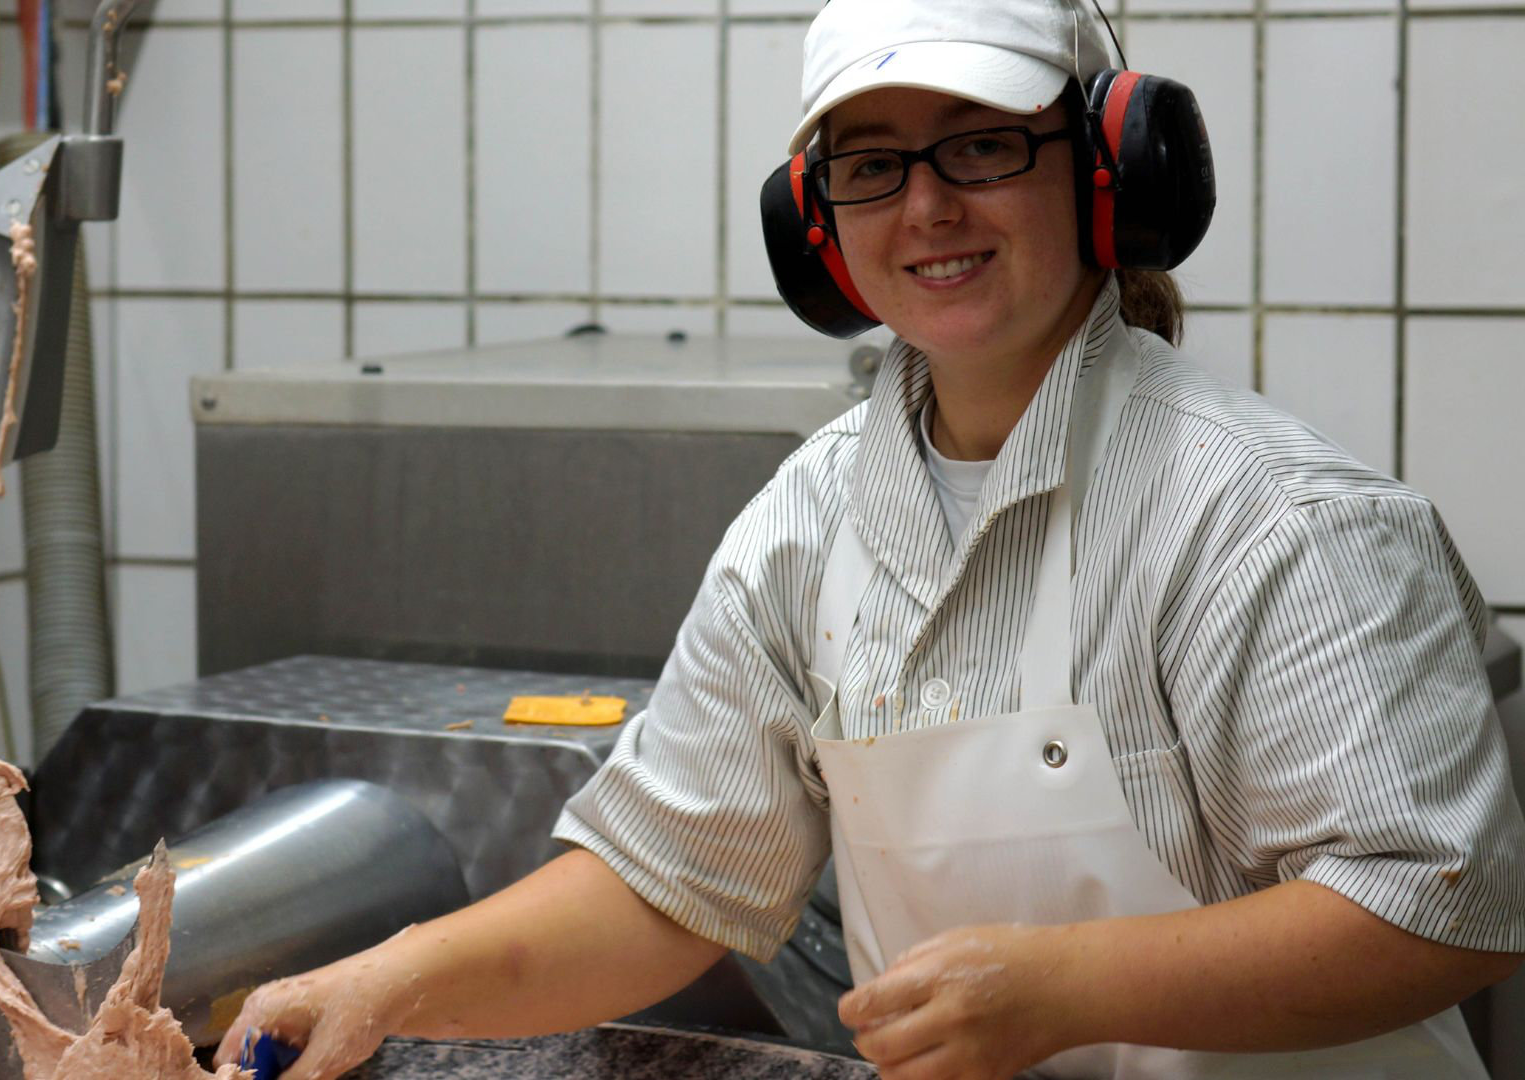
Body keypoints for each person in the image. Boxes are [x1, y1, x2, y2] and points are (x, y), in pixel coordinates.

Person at [218, 1, 1525, 1076]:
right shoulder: (811, 522)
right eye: (872, 164)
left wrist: (1064, 988)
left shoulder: (1273, 518)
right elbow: (670, 881)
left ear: (1108, 169)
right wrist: (387, 982)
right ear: (818, 224)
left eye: (982, 147)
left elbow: (1437, 911)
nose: (928, 208)